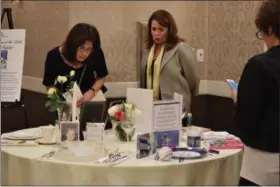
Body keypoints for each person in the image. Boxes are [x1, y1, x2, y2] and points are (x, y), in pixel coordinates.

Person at [228, 0, 279, 185]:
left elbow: (246, 122)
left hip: (262, 166)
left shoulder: (258, 66)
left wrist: (238, 100)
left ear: (270, 29)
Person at [140, 9, 199, 113]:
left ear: (169, 30)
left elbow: (193, 80)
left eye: (161, 30)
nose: (156, 33)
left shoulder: (180, 49)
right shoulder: (147, 52)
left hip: (174, 110)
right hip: (150, 109)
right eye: (153, 29)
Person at [42, 23, 108, 106]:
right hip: (64, 103)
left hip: (90, 100)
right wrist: (60, 103)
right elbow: (49, 85)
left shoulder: (95, 53)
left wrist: (92, 92)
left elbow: (102, 76)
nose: (84, 53)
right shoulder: (54, 56)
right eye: (81, 48)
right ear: (72, 44)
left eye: (88, 49)